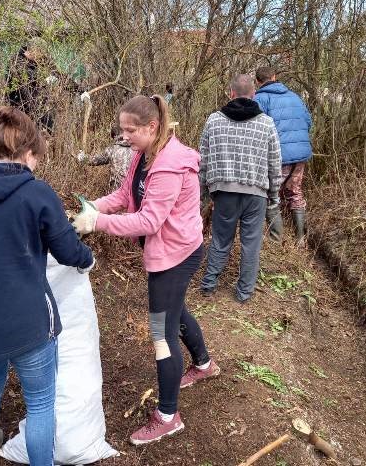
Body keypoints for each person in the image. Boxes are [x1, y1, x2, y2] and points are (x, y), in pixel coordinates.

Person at [0, 107, 95, 466]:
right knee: (41, 400)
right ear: (28, 154)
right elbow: (67, 249)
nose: (37, 166)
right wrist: (87, 258)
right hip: (27, 320)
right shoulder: (36, 193)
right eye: (37, 159)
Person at [71, 95, 218, 446]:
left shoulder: (169, 166)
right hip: (170, 252)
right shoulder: (144, 153)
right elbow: (124, 194)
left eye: (130, 130)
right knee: (175, 310)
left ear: (151, 127)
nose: (124, 137)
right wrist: (93, 207)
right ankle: (203, 365)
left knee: (160, 333)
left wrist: (98, 223)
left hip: (176, 256)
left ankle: (168, 416)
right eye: (122, 129)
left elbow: (149, 221)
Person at [198, 74, 282, 302]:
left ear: (231, 93)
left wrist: (203, 194)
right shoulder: (267, 123)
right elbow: (275, 164)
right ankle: (244, 292)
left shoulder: (213, 120)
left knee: (220, 240)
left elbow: (203, 160)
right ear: (254, 94)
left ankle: (208, 284)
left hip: (223, 191)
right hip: (256, 194)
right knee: (251, 245)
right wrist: (274, 195)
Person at [254, 66, 313, 243]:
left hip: (276, 156)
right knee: (295, 191)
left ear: (257, 81)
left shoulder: (259, 99)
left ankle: (276, 240)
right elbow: (308, 122)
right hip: (300, 154)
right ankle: (300, 239)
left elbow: (256, 129)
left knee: (270, 193)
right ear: (274, 77)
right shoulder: (294, 96)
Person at [76, 123, 134, 189]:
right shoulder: (137, 148)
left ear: (115, 136)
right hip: (135, 191)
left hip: (117, 190)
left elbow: (95, 160)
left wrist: (82, 157)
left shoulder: (112, 149)